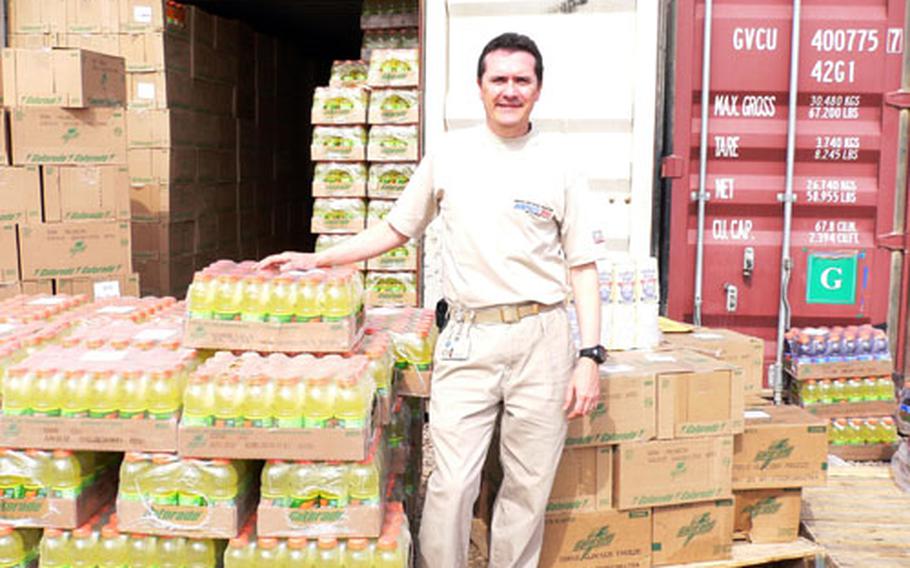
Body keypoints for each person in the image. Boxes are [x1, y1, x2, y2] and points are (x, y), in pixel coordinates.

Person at [259, 32, 605, 567]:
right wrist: (318, 259)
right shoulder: (450, 155)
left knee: (528, 485)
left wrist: (589, 357)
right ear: (479, 87)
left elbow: (582, 266)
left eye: (522, 80)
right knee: (450, 485)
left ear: (538, 89)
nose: (510, 91)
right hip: (470, 337)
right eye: (499, 80)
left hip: (544, 338)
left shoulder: (560, 164)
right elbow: (395, 229)